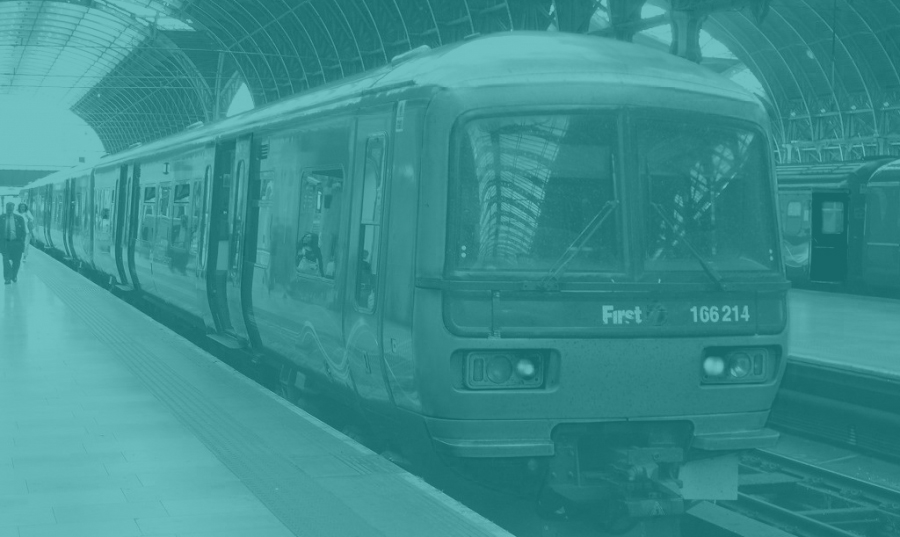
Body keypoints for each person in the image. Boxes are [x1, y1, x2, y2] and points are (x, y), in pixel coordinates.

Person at [0, 202, 27, 284]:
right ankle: (7, 278)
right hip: (5, 243)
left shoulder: (19, 218)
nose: (9, 210)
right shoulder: (1, 218)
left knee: (16, 261)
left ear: (13, 209)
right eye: (8, 209)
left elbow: (24, 232)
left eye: (10, 209)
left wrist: (21, 242)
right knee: (5, 261)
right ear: (6, 209)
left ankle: (14, 275)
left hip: (17, 243)